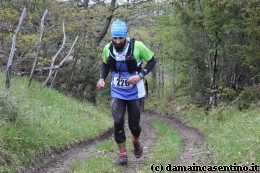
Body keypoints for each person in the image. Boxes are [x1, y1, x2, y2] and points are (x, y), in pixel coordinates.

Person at [96, 19, 157, 165]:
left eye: (120, 38)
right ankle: (122, 154)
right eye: (115, 38)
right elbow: (105, 65)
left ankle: (136, 140)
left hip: (135, 91)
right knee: (118, 122)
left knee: (134, 126)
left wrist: (140, 75)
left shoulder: (138, 46)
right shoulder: (108, 48)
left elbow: (152, 61)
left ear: (125, 37)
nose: (117, 42)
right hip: (117, 91)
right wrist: (102, 79)